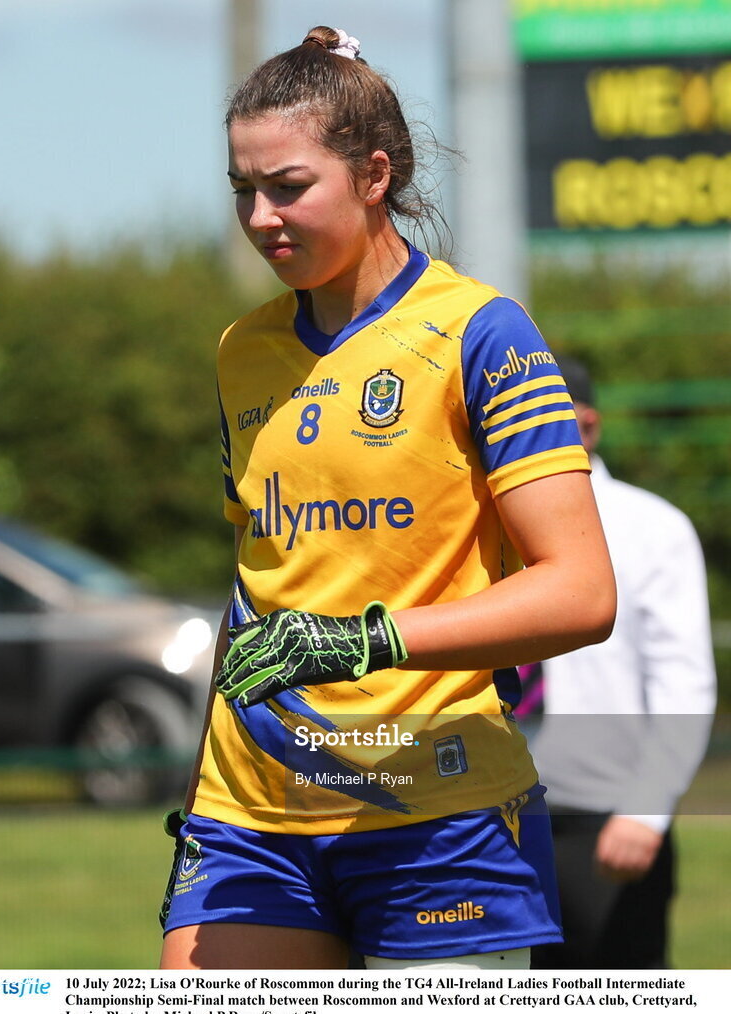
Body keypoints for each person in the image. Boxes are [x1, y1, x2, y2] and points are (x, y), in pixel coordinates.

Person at [159, 26, 616, 971]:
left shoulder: (481, 333)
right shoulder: (237, 350)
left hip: (440, 812)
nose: (259, 217)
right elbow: (267, 577)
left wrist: (367, 640)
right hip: (252, 813)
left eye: (288, 187)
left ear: (374, 176)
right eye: (244, 189)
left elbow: (581, 592)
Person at [527, 357, 716, 970]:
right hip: (485, 816)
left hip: (602, 820)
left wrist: (645, 809)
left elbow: (683, 682)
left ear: (589, 426)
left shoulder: (652, 528)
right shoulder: (475, 523)